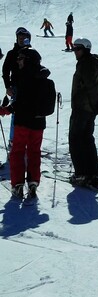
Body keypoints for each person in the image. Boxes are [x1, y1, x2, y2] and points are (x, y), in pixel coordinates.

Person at [0, 48, 53, 200]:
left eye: (21, 58)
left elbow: (20, 103)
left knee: (17, 152)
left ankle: (17, 184)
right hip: (38, 123)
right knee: (34, 152)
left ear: (28, 60)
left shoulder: (24, 77)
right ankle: (33, 182)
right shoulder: (43, 77)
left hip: (23, 122)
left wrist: (5, 110)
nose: (18, 61)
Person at [68, 38, 98, 188]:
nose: (75, 52)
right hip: (89, 109)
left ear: (86, 49)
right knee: (87, 140)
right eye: (74, 49)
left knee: (76, 140)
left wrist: (91, 104)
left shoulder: (86, 64)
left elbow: (90, 87)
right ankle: (91, 173)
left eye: (78, 49)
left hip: (83, 108)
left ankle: (82, 174)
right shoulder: (93, 63)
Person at [2, 27, 32, 148]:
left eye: (24, 38)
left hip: (30, 88)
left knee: (29, 113)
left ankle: (25, 139)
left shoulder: (31, 53)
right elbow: (5, 71)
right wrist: (8, 86)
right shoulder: (12, 53)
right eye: (20, 38)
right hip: (16, 87)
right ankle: (13, 140)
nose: (22, 40)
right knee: (16, 113)